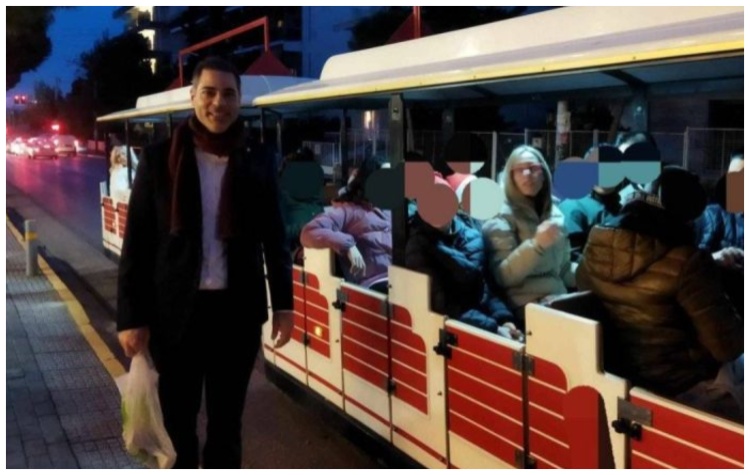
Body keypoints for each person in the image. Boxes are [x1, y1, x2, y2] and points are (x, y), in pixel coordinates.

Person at [116, 57, 294, 469]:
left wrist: (284, 305)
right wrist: (131, 317)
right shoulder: (160, 160)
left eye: (228, 94)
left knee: (226, 426)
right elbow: (137, 244)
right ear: (192, 96)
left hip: (236, 314)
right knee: (178, 425)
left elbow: (275, 237)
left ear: (239, 99)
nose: (219, 103)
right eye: (209, 93)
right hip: (176, 316)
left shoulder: (259, 158)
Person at [577, 166, 743, 420]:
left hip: (618, 375)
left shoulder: (597, 242)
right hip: (682, 384)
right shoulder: (688, 262)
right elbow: (728, 347)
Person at [406, 174, 519, 339]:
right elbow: (443, 305)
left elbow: (487, 286)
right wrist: (493, 328)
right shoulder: (418, 246)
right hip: (455, 330)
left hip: (484, 323)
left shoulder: (473, 235)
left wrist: (504, 319)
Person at [482, 145, 576, 322]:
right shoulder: (500, 214)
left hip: (558, 300)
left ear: (544, 173)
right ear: (510, 176)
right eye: (520, 170)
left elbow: (563, 270)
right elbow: (502, 277)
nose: (527, 174)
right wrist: (536, 246)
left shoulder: (555, 213)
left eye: (533, 168)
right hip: (524, 306)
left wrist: (592, 272)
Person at [300, 155, 392, 291]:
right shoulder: (348, 211)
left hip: (400, 278)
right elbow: (309, 232)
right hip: (374, 283)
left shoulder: (393, 210)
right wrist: (348, 245)